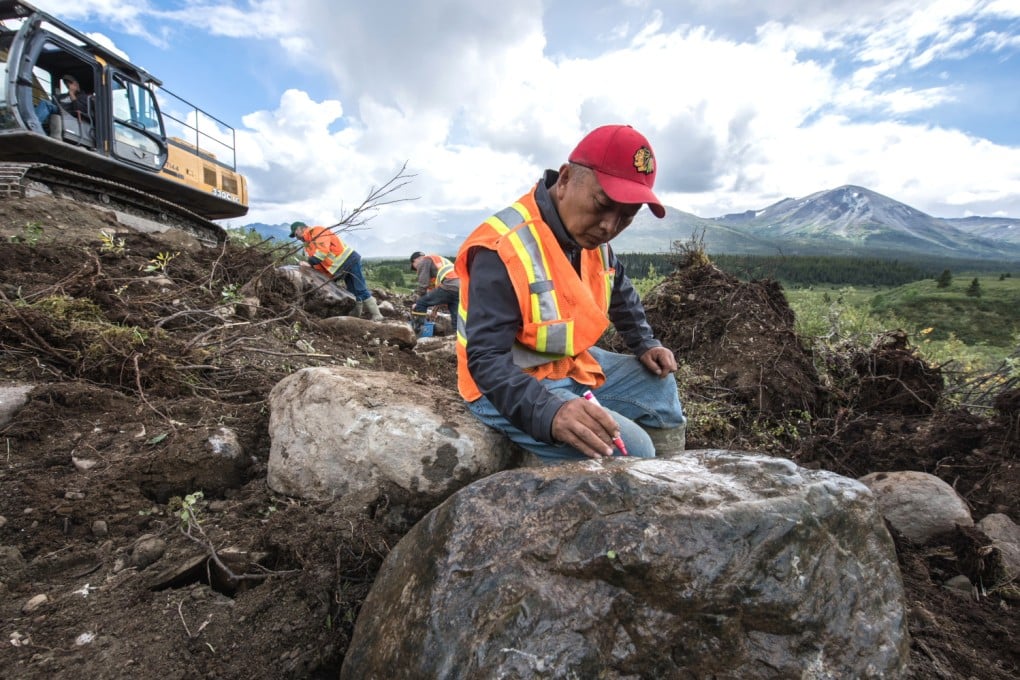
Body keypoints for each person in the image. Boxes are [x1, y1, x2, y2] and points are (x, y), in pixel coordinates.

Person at [454, 124, 686, 464]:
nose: (609, 226)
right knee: (632, 449)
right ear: (564, 180)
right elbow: (487, 360)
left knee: (661, 389)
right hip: (505, 383)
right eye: (602, 203)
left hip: (569, 365)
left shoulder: (593, 240)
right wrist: (550, 413)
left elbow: (619, 291)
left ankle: (673, 485)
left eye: (626, 217)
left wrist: (645, 342)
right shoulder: (502, 247)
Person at [290, 221, 383, 321]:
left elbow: (322, 252)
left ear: (300, 229)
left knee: (359, 288)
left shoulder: (317, 231)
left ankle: (377, 315)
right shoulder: (308, 245)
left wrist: (309, 263)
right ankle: (356, 315)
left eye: (295, 234)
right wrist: (319, 275)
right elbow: (320, 264)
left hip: (349, 260)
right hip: (340, 266)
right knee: (352, 290)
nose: (296, 238)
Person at [409, 251, 460, 334]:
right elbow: (441, 295)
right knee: (455, 316)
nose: (416, 270)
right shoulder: (438, 261)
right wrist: (435, 310)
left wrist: (418, 302)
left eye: (415, 267)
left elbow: (423, 285)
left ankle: (418, 331)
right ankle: (456, 337)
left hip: (449, 285)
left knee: (421, 303)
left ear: (416, 260)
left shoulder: (424, 261)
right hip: (460, 287)